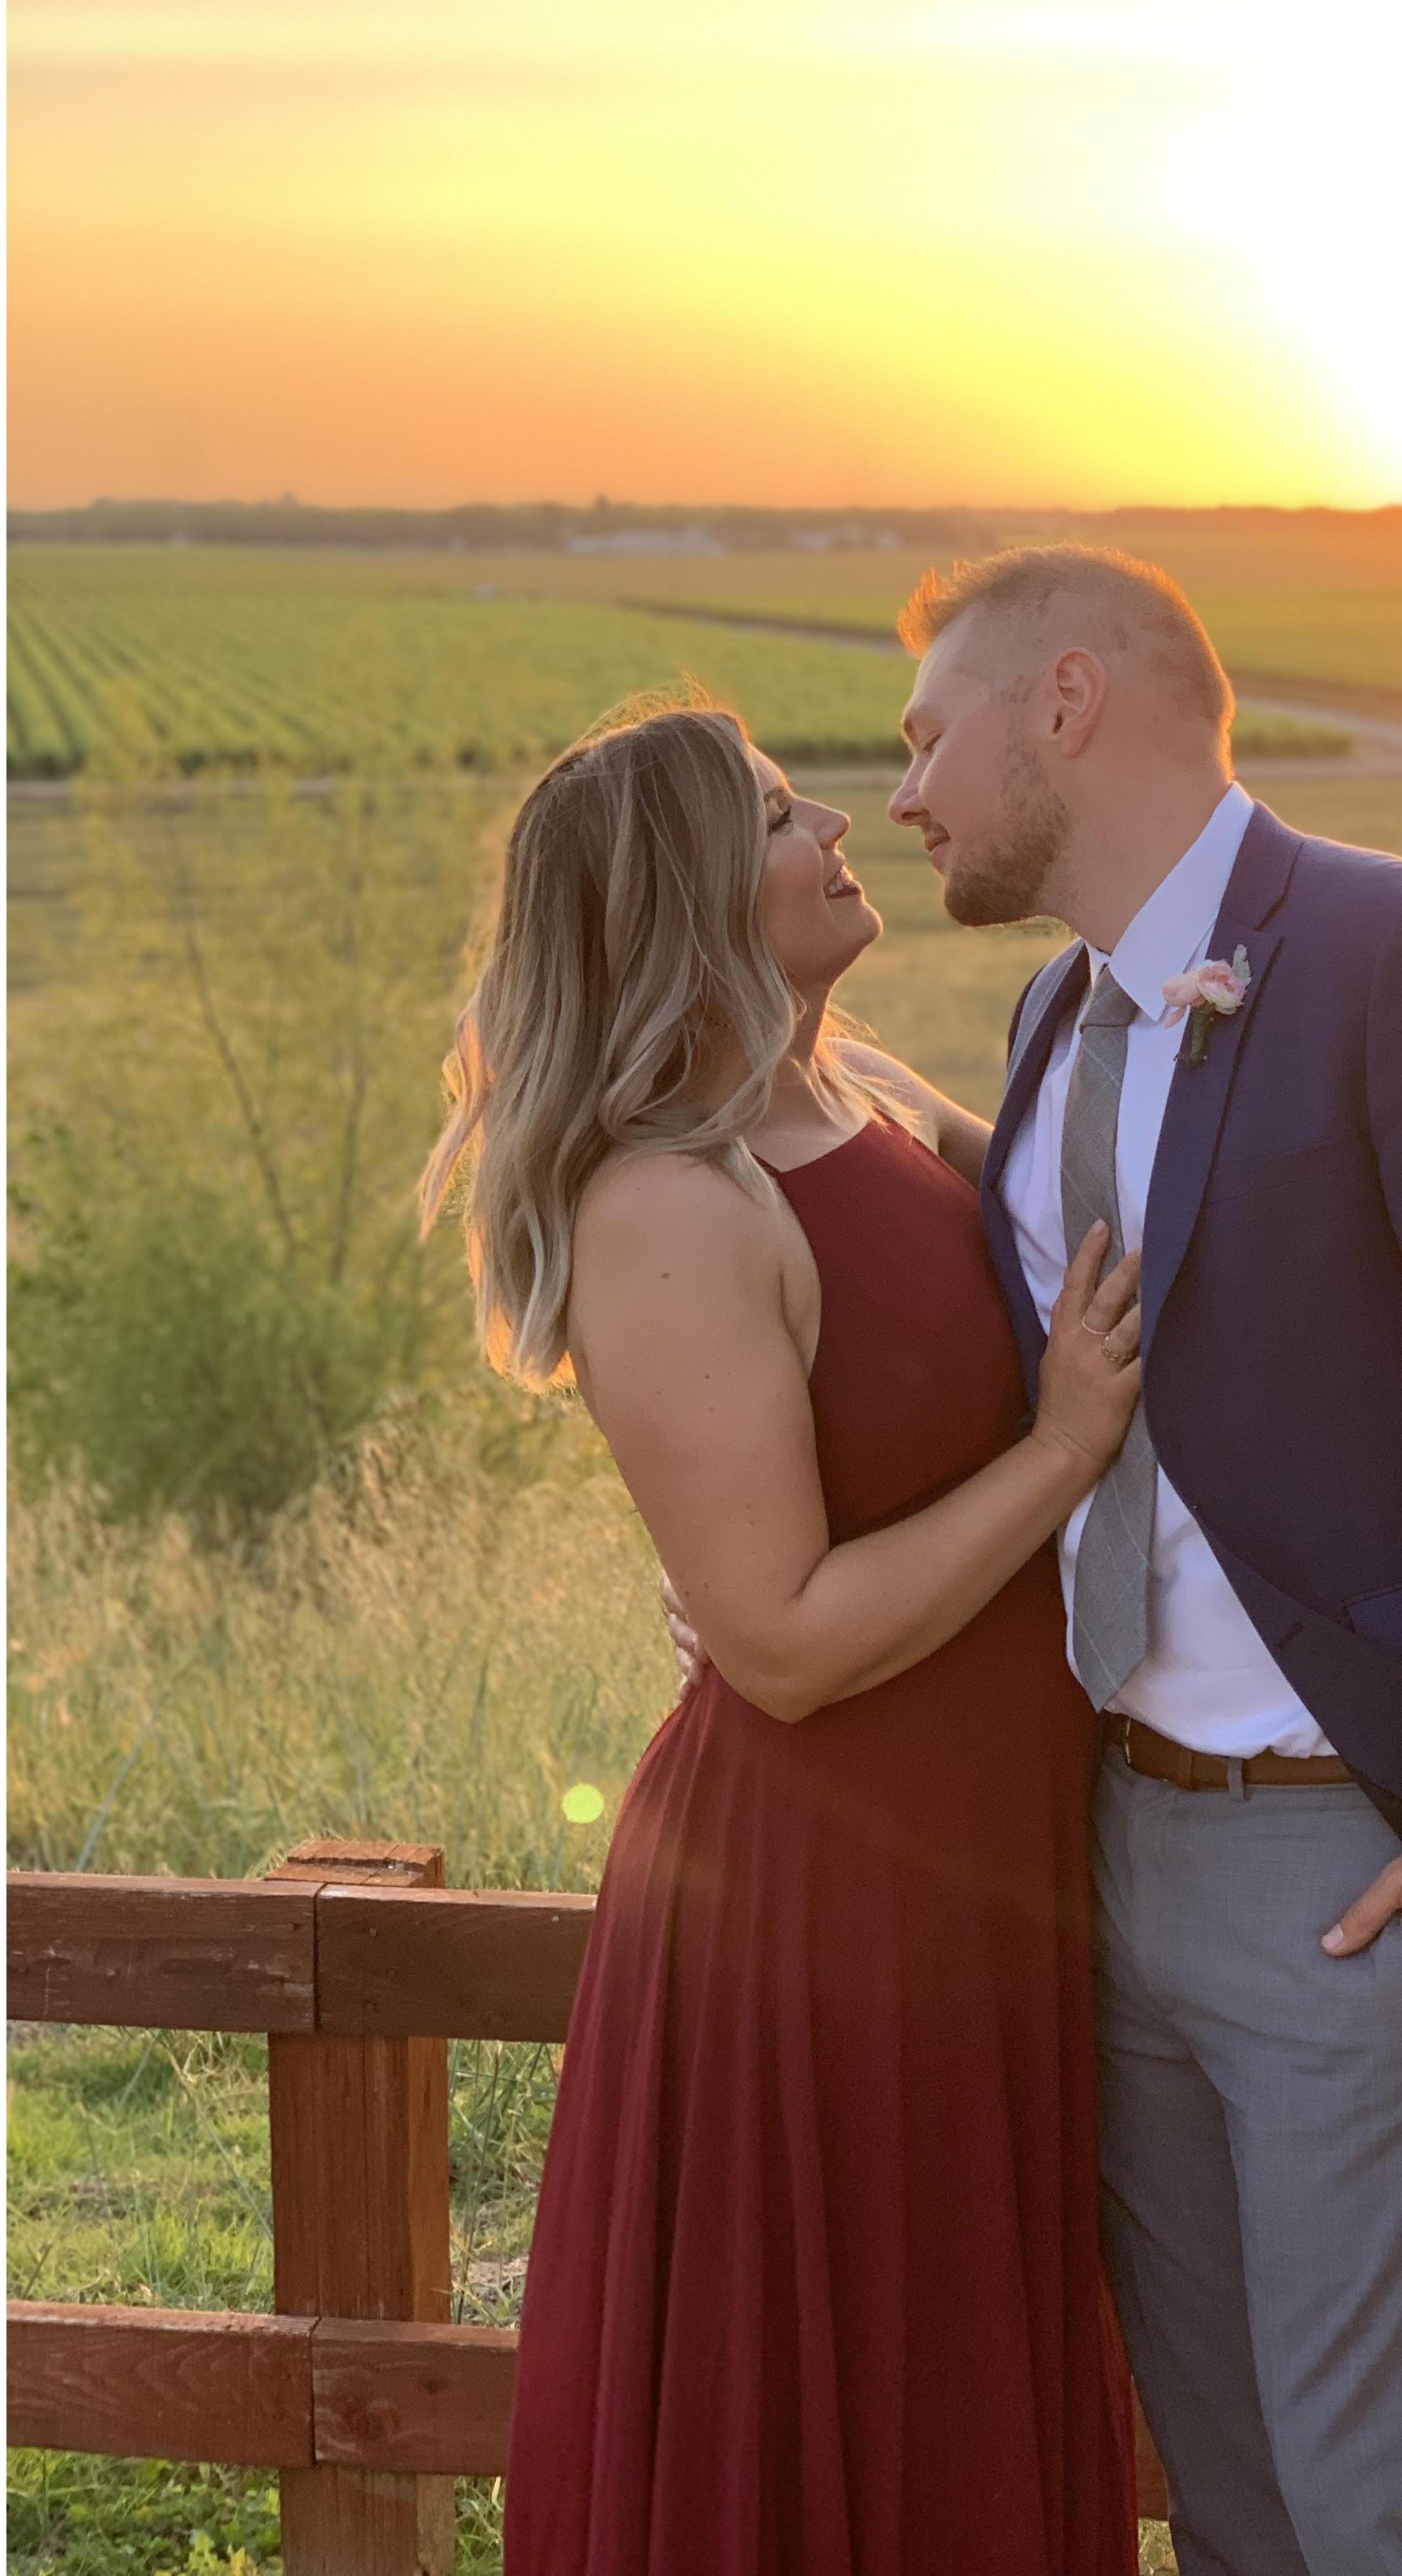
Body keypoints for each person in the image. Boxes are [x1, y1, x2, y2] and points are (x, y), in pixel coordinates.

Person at [877, 545, 1402, 2575]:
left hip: (1358, 1861)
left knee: (1390, 2516)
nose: (902, 794)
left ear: (1066, 702)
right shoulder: (1052, 1012)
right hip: (1118, 1842)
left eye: (926, 738)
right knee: (1236, 2501)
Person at [420, 693, 1142, 2576]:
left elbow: (1119, 1217)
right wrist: (1063, 1452)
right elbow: (789, 1643)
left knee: (952, 2409)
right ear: (686, 899)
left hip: (986, 1876)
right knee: (839, 2436)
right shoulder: (668, 1205)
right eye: (770, 817)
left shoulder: (865, 1094)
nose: (837, 824)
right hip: (825, 1916)